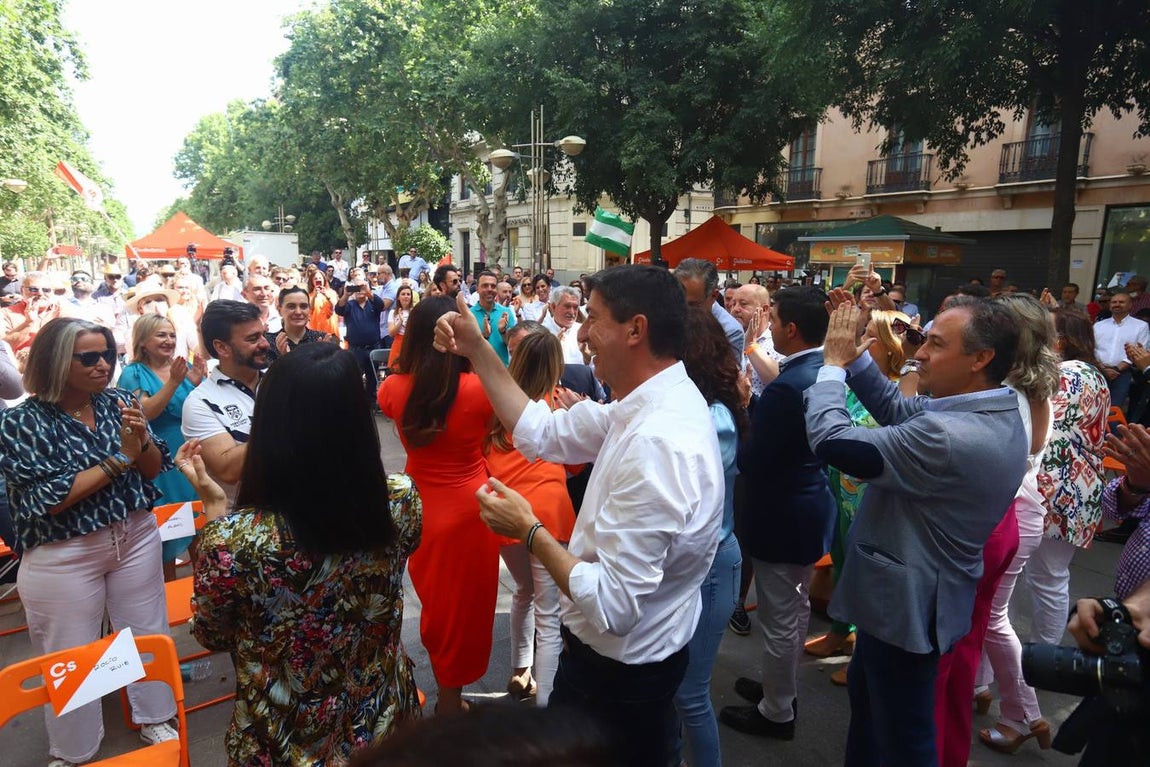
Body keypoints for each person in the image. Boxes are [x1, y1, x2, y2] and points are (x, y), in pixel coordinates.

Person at [435, 266, 724, 767]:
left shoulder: (657, 441)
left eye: (593, 319)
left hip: (617, 682)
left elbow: (613, 605)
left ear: (636, 330)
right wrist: (478, 350)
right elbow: (541, 431)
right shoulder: (649, 403)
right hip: (621, 671)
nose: (583, 335)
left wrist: (530, 531)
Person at [804, 296, 1029, 766]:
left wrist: (830, 368)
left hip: (905, 613)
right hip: (904, 607)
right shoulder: (992, 407)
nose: (919, 353)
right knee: (874, 722)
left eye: (935, 344)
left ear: (980, 359)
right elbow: (895, 408)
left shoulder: (951, 434)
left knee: (903, 740)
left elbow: (834, 441)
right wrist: (855, 353)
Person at [186, 342, 422, 765]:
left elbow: (213, 632)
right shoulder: (399, 499)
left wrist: (215, 509)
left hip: (283, 736)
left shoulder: (235, 541)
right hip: (383, 720)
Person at [0, 317, 177, 765]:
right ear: (57, 361)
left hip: (133, 534)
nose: (103, 365)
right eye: (89, 357)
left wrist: (140, 442)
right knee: (70, 653)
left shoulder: (118, 400)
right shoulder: (22, 421)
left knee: (146, 632)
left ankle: (156, 714)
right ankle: (75, 750)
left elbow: (154, 467)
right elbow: (51, 499)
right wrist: (122, 458)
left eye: (109, 355)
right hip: (65, 552)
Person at [719, 286, 836, 740]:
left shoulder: (790, 384)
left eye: (774, 316)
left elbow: (754, 458)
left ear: (790, 328)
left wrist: (746, 404)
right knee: (792, 610)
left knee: (783, 615)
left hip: (783, 511)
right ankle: (777, 689)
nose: (764, 322)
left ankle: (777, 710)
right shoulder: (819, 370)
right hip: (803, 505)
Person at [378, 296, 500, 714]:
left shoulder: (392, 389)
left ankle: (443, 688)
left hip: (420, 508)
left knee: (435, 602)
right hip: (473, 507)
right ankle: (451, 697)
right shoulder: (480, 390)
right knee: (469, 607)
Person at [806, 309, 918, 683]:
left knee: (866, 569)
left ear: (888, 345)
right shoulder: (858, 378)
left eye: (867, 335)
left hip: (870, 493)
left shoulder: (904, 384)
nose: (860, 341)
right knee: (840, 558)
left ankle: (859, 655)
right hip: (840, 486)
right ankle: (840, 631)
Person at [484, 331, 576, 706]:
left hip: (506, 513)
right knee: (550, 615)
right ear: (555, 365)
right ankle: (547, 706)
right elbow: (576, 463)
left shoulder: (496, 404)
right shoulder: (554, 405)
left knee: (523, 592)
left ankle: (521, 670)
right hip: (549, 515)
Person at [674, 306, 747, 767]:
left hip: (713, 569)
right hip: (694, 566)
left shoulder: (713, 418)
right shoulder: (696, 408)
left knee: (690, 693)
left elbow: (683, 493)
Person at [1026, 309, 1110, 645]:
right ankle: (1038, 652)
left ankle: (1043, 652)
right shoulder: (1092, 374)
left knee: (1045, 577)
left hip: (1055, 486)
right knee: (1047, 576)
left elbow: (1043, 427)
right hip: (1073, 487)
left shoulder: (1069, 373)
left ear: (1060, 340)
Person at [118, 314, 205, 574]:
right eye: (161, 335)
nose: (169, 340)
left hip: (192, 452)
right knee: (167, 531)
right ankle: (166, 602)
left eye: (171, 335)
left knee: (200, 529)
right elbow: (145, 413)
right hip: (161, 458)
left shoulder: (181, 365)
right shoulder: (133, 372)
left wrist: (196, 381)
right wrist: (176, 382)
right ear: (143, 341)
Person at [181, 301, 269, 511]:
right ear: (222, 347)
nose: (265, 343)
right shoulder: (200, 402)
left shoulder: (280, 380)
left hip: (297, 515)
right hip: (245, 525)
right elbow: (229, 470)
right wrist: (284, 416)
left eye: (263, 334)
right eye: (252, 338)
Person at [674, 258, 745, 364]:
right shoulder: (668, 317)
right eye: (678, 302)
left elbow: (727, 376)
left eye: (693, 305)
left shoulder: (730, 330)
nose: (684, 310)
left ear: (714, 296)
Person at [1093, 290, 1149, 411]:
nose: (1117, 304)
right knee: (1094, 408)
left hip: (1122, 374)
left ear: (1130, 305)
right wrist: (1102, 368)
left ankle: (1111, 431)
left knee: (1113, 410)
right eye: (1114, 302)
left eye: (1121, 302)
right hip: (1098, 372)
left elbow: (1140, 351)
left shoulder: (1141, 326)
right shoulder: (1098, 326)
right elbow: (1092, 349)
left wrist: (1116, 369)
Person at [336, 277, 386, 402]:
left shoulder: (373, 303)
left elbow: (381, 305)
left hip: (373, 348)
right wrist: (346, 295)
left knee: (372, 379)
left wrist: (368, 292)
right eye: (356, 288)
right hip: (356, 349)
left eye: (361, 287)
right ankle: (356, 403)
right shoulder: (350, 305)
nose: (359, 290)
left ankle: (370, 402)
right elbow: (339, 309)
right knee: (354, 378)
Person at [264, 286, 335, 365]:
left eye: (303, 306)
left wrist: (325, 361)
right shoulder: (269, 342)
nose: (298, 312)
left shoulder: (322, 340)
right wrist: (285, 359)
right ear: (280, 310)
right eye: (291, 306)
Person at [470, 270, 517, 365]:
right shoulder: (469, 315)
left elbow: (514, 346)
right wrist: (483, 336)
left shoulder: (506, 313)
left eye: (493, 286)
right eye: (485, 285)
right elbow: (466, 347)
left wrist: (503, 332)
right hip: (477, 372)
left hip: (502, 371)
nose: (489, 289)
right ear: (477, 289)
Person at [541, 286, 584, 365]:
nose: (572, 312)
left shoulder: (583, 331)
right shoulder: (541, 333)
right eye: (567, 306)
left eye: (575, 307)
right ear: (553, 307)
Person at [387, 285, 416, 370]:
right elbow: (391, 333)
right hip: (398, 342)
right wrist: (400, 321)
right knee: (396, 370)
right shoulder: (392, 312)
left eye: (408, 294)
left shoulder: (415, 311)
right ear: (398, 297)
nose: (406, 296)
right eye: (403, 294)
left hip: (411, 343)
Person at [307, 269, 340, 337]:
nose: (318, 280)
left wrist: (327, 296)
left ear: (324, 280)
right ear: (312, 281)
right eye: (315, 279)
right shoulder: (309, 295)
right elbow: (310, 309)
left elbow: (335, 306)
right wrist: (314, 296)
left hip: (330, 327)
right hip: (315, 328)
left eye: (320, 278)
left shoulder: (331, 292)